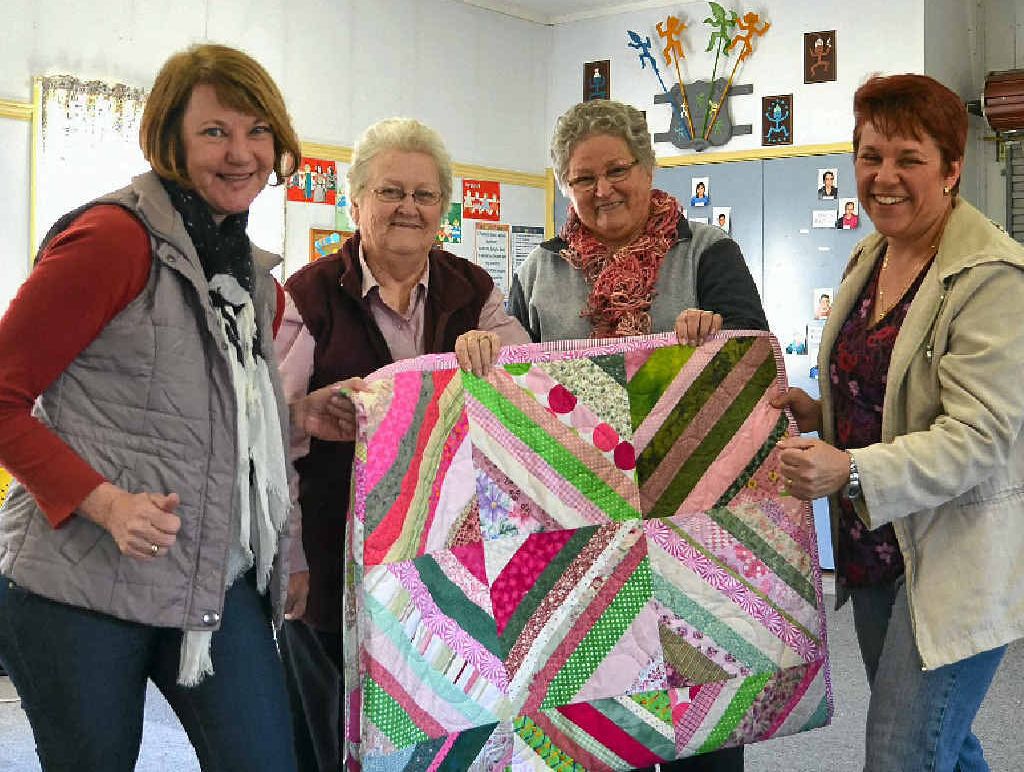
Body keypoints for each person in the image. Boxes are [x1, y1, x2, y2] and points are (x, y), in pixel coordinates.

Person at [0, 44, 303, 771]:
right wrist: (103, 503)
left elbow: (230, 424)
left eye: (258, 131)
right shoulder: (112, 239)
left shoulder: (251, 277)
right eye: (214, 132)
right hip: (81, 584)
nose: (241, 153)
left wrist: (308, 421)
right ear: (170, 140)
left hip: (209, 581)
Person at [508, 98, 767, 772]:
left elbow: (753, 368)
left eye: (617, 170)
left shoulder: (707, 253)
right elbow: (515, 397)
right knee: (595, 730)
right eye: (581, 179)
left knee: (701, 730)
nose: (602, 191)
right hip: (583, 530)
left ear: (648, 167)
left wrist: (713, 347)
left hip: (693, 522)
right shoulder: (540, 272)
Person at [774, 74, 1024, 771]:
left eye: (908, 158)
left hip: (949, 560)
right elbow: (889, 394)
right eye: (870, 155)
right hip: (875, 551)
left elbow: (977, 437)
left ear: (951, 168)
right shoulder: (871, 255)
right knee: (947, 742)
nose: (884, 176)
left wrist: (850, 468)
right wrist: (819, 412)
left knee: (902, 753)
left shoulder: (994, 278)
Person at [274, 116, 530, 771]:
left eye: (424, 195)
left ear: (444, 208)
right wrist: (292, 557)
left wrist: (495, 352)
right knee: (333, 736)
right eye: (389, 192)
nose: (407, 208)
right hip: (335, 565)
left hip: (452, 564)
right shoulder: (306, 297)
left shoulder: (472, 290)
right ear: (355, 201)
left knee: (440, 726)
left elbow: (531, 383)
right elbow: (273, 437)